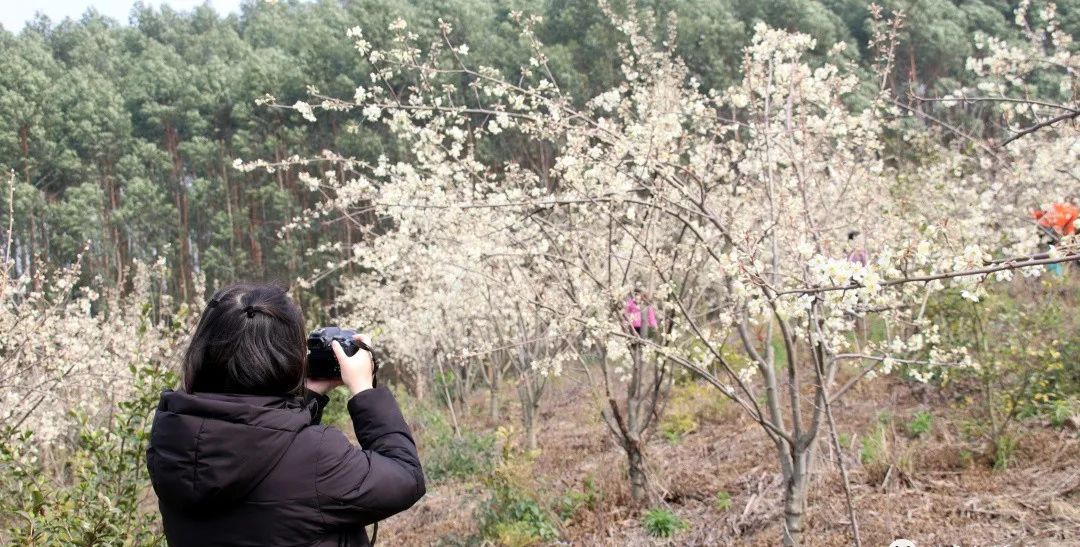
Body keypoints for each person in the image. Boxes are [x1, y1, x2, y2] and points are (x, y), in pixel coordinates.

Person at [146, 283, 425, 546]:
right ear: (288, 356)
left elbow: (263, 446)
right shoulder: (317, 456)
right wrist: (364, 390)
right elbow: (405, 476)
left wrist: (311, 395)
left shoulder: (171, 444)